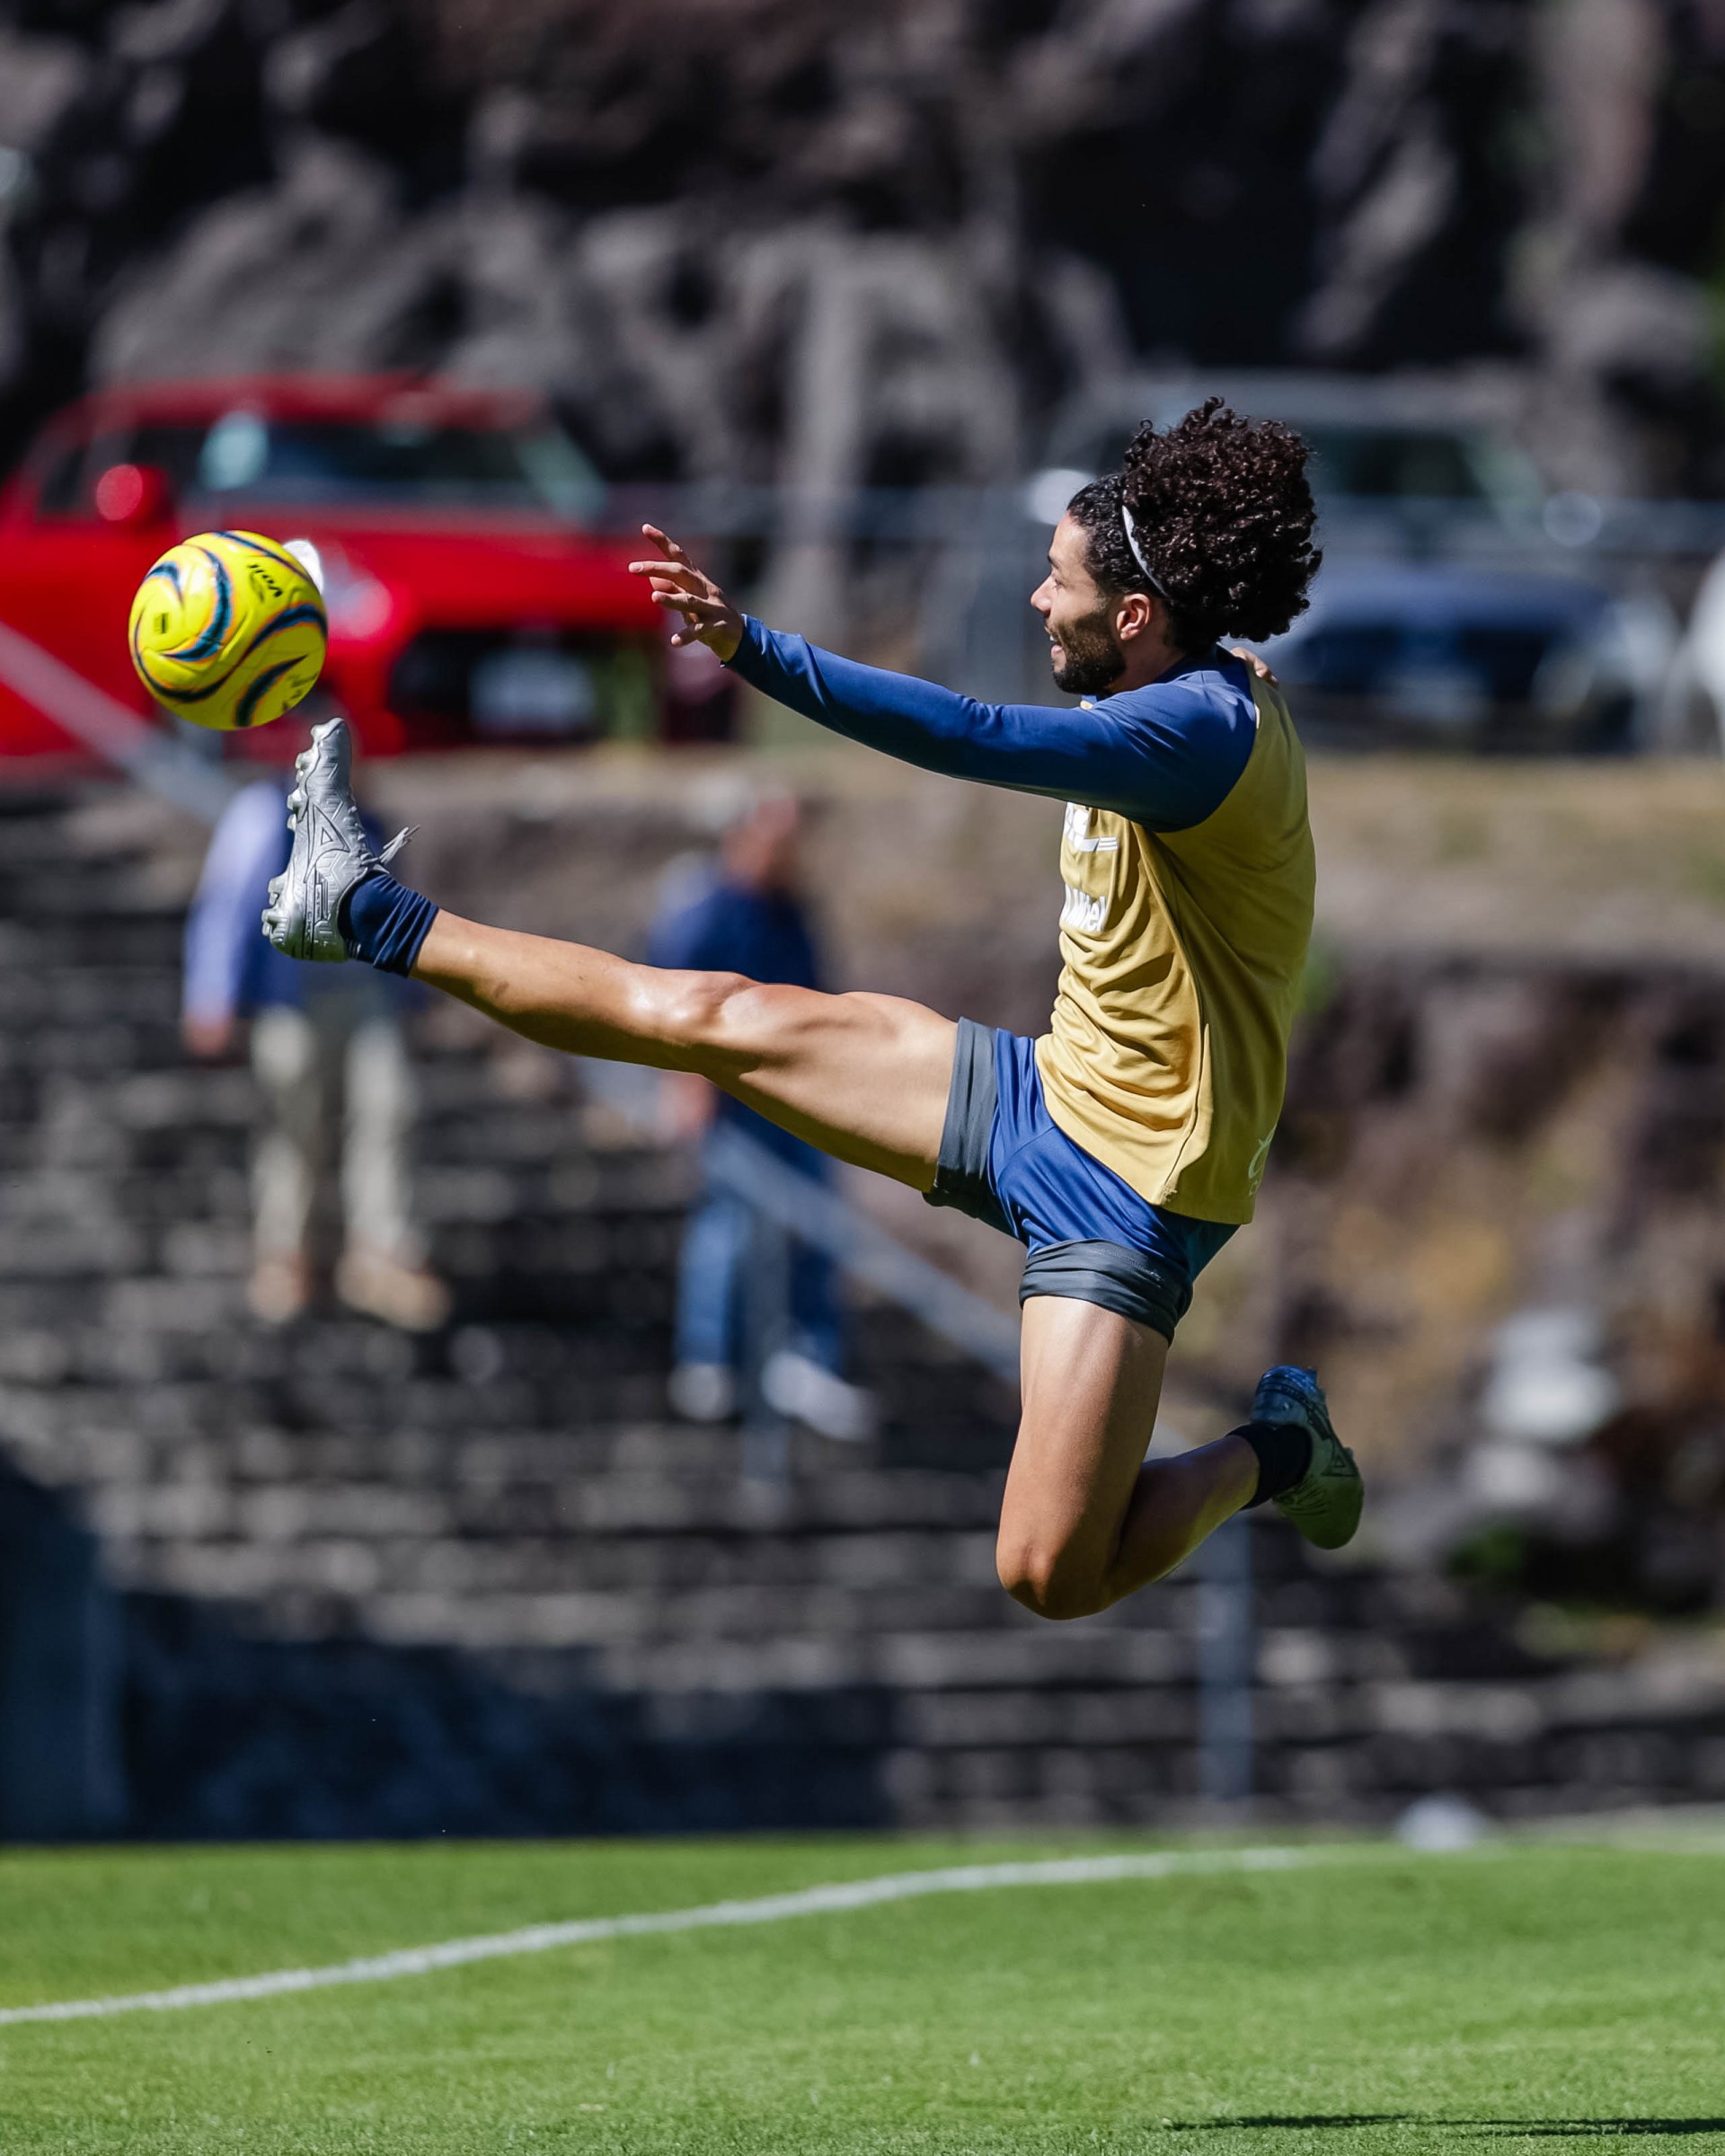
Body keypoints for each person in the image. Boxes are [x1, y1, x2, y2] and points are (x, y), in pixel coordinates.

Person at [262, 398, 1360, 1619]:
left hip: (1135, 1190)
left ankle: (1281, 1450)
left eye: (1059, 583)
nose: (1038, 600)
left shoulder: (1196, 730)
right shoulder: (1180, 685)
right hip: (1040, 1097)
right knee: (708, 1018)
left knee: (1049, 1571)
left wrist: (752, 650)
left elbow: (970, 734)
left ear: (1139, 616)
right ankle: (360, 908)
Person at [183, 773, 448, 1330]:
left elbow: (397, 911)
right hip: (291, 994)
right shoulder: (262, 812)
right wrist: (211, 993)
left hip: (367, 990)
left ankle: (383, 1250)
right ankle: (285, 1258)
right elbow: (229, 901)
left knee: (390, 1108)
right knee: (292, 1125)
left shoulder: (370, 819)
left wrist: (415, 994)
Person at [649, 789, 871, 1439]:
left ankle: (807, 1357)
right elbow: (672, 999)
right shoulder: (707, 910)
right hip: (733, 1102)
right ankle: (708, 1356)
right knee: (729, 1223)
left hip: (796, 1100)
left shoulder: (792, 911)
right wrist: (684, 1081)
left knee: (817, 1221)